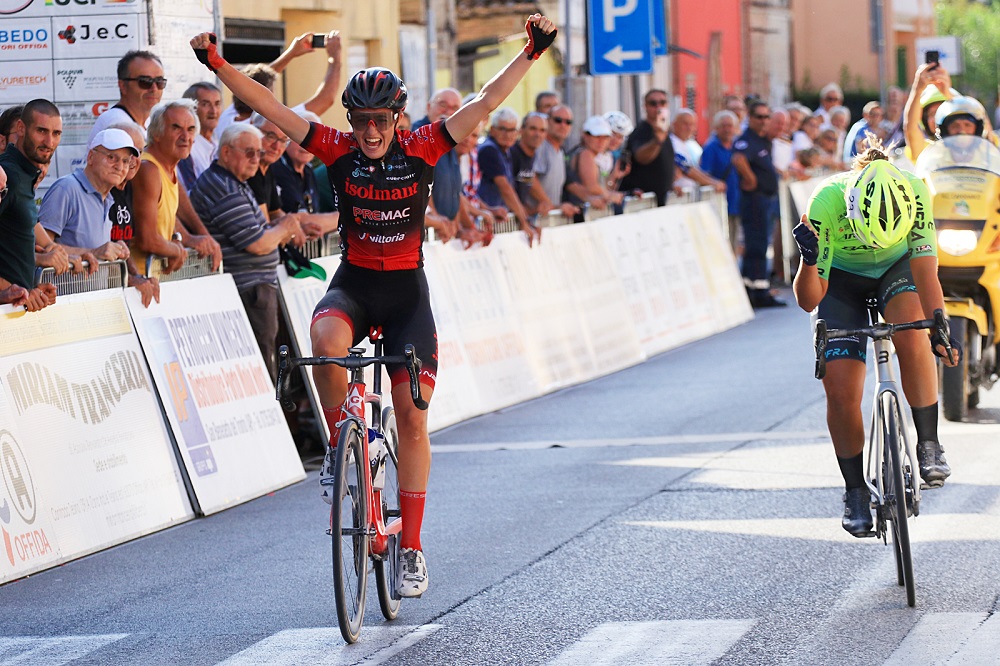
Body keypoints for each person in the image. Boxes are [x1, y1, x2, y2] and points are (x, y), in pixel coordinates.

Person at [190, 13, 557, 598]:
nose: (369, 131)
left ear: (397, 118)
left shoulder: (426, 146)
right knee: (324, 342)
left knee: (412, 416)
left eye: (379, 121)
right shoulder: (336, 149)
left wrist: (531, 52)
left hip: (407, 295)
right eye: (360, 121)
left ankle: (411, 547)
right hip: (356, 285)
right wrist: (217, 63)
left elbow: (485, 100)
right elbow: (268, 104)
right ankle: (342, 444)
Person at [791, 146, 959, 536]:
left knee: (913, 334)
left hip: (897, 271)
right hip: (840, 282)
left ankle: (929, 443)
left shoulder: (915, 189)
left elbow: (926, 272)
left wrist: (940, 328)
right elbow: (809, 300)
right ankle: (854, 490)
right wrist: (808, 261)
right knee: (840, 388)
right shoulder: (827, 201)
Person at [190, 123, 302, 381]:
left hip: (255, 287)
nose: (256, 159)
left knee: (268, 359)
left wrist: (276, 230)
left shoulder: (235, 182)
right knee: (262, 367)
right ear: (226, 152)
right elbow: (257, 243)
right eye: (249, 152)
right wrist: (284, 227)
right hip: (249, 289)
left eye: (258, 153)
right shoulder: (223, 187)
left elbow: (260, 232)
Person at [0, 99, 65, 311]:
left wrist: (31, 289)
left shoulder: (24, 177)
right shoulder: (9, 176)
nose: (49, 141)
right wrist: (8, 291)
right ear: (21, 128)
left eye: (56, 133)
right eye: (41, 131)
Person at [216, 32, 344, 138]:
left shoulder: (227, 117)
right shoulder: (271, 122)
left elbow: (253, 83)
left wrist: (291, 53)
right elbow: (325, 99)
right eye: (271, 92)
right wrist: (335, 58)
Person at [38, 129, 136, 262]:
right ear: (90, 157)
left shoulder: (107, 198)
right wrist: (94, 252)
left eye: (125, 161)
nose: (119, 167)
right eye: (111, 157)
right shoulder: (66, 189)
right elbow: (40, 248)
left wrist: (115, 252)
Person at [130, 100, 198, 274]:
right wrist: (177, 250)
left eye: (190, 129)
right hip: (138, 280)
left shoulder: (168, 167)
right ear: (156, 134)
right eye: (176, 128)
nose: (185, 137)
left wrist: (178, 239)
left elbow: (162, 217)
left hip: (153, 278)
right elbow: (147, 240)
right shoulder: (148, 169)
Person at [732, 100, 784, 308]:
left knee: (761, 244)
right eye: (759, 117)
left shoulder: (763, 140)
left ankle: (755, 287)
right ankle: (758, 292)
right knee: (756, 245)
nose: (763, 121)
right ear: (750, 118)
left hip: (765, 199)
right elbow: (738, 158)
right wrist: (750, 177)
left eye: (766, 117)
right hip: (754, 199)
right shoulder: (747, 139)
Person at [107, 121, 160, 307]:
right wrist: (129, 279)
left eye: (139, 152)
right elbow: (95, 247)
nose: (134, 160)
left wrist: (138, 276)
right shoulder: (100, 190)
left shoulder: (129, 188)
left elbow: (122, 246)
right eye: (128, 152)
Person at [477, 107, 538, 244]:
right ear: (492, 130)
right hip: (486, 222)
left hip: (498, 220)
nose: (508, 134)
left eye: (512, 130)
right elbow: (505, 188)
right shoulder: (489, 149)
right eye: (503, 129)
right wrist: (524, 221)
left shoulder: (506, 151)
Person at [88, 51, 166, 144]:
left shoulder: (147, 122)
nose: (154, 89)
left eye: (159, 81)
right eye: (145, 81)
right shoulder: (117, 125)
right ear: (123, 86)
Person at [619, 89, 676, 206]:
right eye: (653, 103)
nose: (658, 107)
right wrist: (656, 142)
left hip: (661, 201)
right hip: (642, 202)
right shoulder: (641, 131)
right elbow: (641, 157)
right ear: (645, 106)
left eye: (662, 103)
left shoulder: (665, 131)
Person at [564, 115, 624, 218]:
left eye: (605, 137)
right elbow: (592, 188)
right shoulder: (585, 154)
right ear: (585, 136)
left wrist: (614, 176)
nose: (601, 141)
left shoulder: (591, 155)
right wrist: (611, 196)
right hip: (579, 213)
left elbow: (600, 188)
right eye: (597, 137)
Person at [700, 110, 741, 253]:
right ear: (716, 128)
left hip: (736, 201)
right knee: (722, 243)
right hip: (719, 203)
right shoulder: (711, 148)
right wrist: (714, 183)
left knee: (734, 242)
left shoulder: (737, 146)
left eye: (730, 126)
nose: (727, 129)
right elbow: (703, 174)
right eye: (723, 126)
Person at [903, 62, 956, 162]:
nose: (937, 117)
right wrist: (917, 89)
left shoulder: (970, 144)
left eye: (942, 111)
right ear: (925, 121)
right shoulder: (925, 150)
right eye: (932, 114)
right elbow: (911, 126)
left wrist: (948, 93)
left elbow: (977, 117)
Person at [178, 82, 223, 191]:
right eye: (205, 104)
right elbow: (190, 191)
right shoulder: (186, 146)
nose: (213, 111)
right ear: (191, 109)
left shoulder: (217, 142)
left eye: (217, 104)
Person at [534, 103, 578, 214]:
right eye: (558, 120)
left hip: (550, 218)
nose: (563, 125)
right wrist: (552, 206)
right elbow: (529, 179)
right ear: (548, 121)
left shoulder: (560, 152)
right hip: (535, 216)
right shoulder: (540, 146)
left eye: (568, 122)